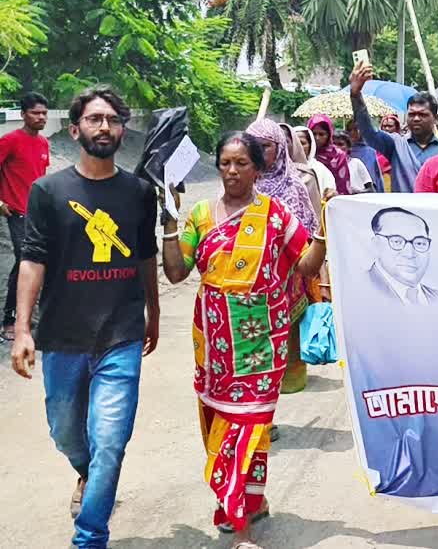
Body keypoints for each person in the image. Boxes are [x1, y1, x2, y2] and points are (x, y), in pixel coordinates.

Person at [161, 131, 328, 547]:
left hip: (262, 345)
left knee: (247, 428)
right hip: (215, 346)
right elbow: (177, 273)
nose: (232, 171)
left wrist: (324, 233)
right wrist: (168, 223)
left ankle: (237, 522)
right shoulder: (201, 214)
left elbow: (306, 265)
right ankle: (253, 498)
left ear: (258, 168)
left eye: (242, 164)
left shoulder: (275, 215)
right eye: (225, 163)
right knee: (223, 426)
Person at [9, 87, 159, 547]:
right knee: (68, 434)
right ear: (75, 130)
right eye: (94, 119)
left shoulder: (138, 192)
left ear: (121, 129)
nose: (104, 127)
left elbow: (144, 258)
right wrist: (22, 330)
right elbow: (33, 260)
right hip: (62, 335)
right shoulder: (48, 192)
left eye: (112, 120)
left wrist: (153, 312)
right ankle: (85, 474)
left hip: (121, 334)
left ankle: (89, 536)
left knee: (110, 442)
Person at [245, 119, 320, 395]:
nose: (256, 153)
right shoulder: (238, 182)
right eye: (251, 146)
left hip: (288, 274)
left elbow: (309, 232)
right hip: (248, 278)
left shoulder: (297, 182)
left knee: (285, 336)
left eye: (264, 147)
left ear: (278, 149)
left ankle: (283, 384)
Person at [0, 92, 50, 341]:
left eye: (44, 113)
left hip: (39, 213)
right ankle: (11, 320)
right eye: (35, 113)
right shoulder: (10, 140)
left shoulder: (43, 143)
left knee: (39, 260)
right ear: (23, 115)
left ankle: (34, 316)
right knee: (25, 261)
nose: (41, 117)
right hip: (16, 212)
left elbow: (40, 177)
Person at [350, 64, 438, 193]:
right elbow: (369, 133)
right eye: (412, 114)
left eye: (422, 114)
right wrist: (356, 95)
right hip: (402, 211)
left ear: (435, 118)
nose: (416, 119)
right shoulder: (397, 144)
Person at [367, 206, 438, 304]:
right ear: (376, 244)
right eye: (397, 241)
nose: (410, 254)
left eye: (419, 243)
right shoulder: (357, 287)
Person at [305, 114, 351, 195]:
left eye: (321, 134)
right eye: (314, 133)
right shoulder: (305, 154)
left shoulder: (338, 156)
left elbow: (343, 185)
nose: (317, 138)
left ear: (329, 134)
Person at [294, 126, 337, 200]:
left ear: (311, 146)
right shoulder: (281, 170)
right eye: (295, 143)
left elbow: (330, 192)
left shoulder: (320, 169)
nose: (298, 147)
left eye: (302, 143)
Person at [347, 121, 384, 192]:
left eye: (356, 129)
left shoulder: (369, 151)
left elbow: (374, 177)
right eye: (349, 130)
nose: (352, 133)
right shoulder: (344, 150)